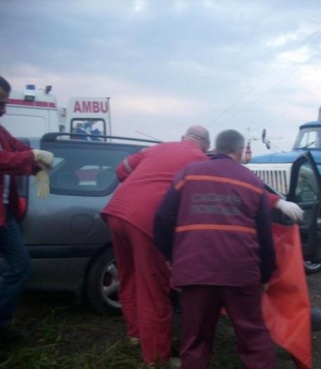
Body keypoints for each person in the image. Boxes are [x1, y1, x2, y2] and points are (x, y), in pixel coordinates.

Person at [101, 126, 302, 367]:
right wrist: (278, 203)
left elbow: (121, 171)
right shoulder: (201, 162)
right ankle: (155, 356)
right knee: (152, 292)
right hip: (152, 226)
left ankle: (135, 333)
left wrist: (171, 254)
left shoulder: (160, 151)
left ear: (184, 138)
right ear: (207, 147)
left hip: (118, 213)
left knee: (129, 279)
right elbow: (256, 217)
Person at [153, 130, 278, 369]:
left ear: (216, 147)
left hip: (195, 270)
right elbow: (265, 233)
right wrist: (265, 274)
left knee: (196, 339)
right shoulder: (253, 182)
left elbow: (162, 219)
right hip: (241, 272)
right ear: (240, 152)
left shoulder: (187, 174)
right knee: (253, 337)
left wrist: (171, 255)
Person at [0, 75, 54, 340]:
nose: (4, 109)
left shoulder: (0, 131)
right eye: (0, 103)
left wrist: (39, 166)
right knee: (18, 266)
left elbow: (16, 149)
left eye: (5, 103)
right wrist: (32, 157)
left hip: (4, 214)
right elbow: (5, 160)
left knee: (19, 267)